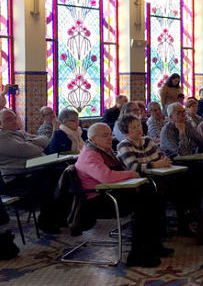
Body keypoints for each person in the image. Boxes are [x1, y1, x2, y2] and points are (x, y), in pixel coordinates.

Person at [76, 123, 171, 267]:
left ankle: (154, 245)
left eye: (110, 134)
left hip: (111, 192)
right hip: (98, 200)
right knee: (143, 206)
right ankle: (137, 255)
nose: (110, 138)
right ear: (93, 139)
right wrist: (131, 173)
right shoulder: (90, 155)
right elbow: (106, 177)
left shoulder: (104, 150)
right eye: (105, 135)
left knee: (153, 195)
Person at [0, 109, 62, 234]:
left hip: (33, 170)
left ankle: (59, 216)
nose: (14, 121)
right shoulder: (2, 138)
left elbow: (44, 140)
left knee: (64, 170)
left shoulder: (20, 133)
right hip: (15, 178)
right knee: (50, 178)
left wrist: (31, 143)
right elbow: (25, 149)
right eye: (8, 119)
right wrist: (35, 145)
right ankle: (46, 220)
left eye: (14, 117)